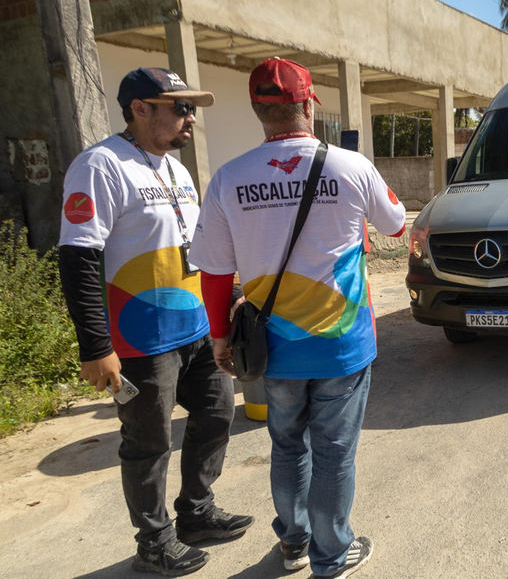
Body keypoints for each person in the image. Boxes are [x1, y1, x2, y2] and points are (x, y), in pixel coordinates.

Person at [190, 58, 406, 579]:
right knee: (333, 451)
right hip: (340, 343)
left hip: (271, 345)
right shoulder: (351, 166)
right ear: (310, 105)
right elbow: (397, 224)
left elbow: (215, 273)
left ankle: (293, 542)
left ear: (257, 110)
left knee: (286, 444)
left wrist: (220, 336)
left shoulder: (228, 178)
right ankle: (332, 556)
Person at [57, 67, 252, 577]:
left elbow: (197, 246)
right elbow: (78, 259)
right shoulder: (100, 166)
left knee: (215, 417)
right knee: (148, 442)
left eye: (191, 108)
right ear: (139, 108)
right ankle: (154, 540)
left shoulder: (176, 170)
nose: (190, 117)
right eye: (179, 107)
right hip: (140, 339)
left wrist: (227, 302)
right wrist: (95, 346)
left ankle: (196, 513)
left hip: (193, 329)